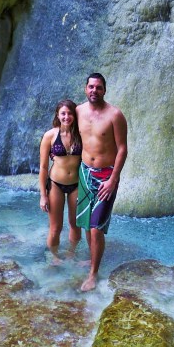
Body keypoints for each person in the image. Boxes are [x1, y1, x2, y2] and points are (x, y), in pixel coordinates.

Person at [76, 72, 128, 291]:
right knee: (87, 224)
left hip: (105, 176)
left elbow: (122, 148)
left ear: (104, 90)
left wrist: (113, 180)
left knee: (96, 228)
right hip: (84, 173)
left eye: (98, 87)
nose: (94, 91)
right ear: (85, 88)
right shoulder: (78, 111)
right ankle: (92, 258)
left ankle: (93, 274)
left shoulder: (115, 115)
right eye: (90, 87)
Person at [38, 99, 83, 257]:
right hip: (55, 184)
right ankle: (54, 257)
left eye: (70, 113)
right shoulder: (50, 136)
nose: (66, 116)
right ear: (58, 115)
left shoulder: (81, 134)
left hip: (76, 185)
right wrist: (43, 195)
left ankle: (71, 253)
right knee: (55, 227)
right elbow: (43, 167)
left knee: (75, 224)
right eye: (63, 113)